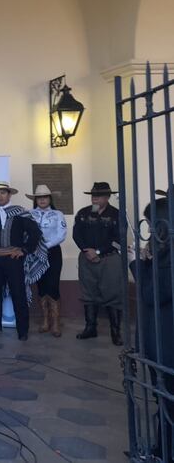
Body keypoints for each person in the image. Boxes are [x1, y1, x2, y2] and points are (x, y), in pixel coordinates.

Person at [132, 193, 173, 460]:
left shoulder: (167, 258)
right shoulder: (163, 253)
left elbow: (151, 295)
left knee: (167, 402)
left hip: (166, 344)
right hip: (159, 341)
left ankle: (163, 452)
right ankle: (161, 449)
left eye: (150, 226)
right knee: (164, 401)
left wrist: (139, 263)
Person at [0, 181, 47, 341]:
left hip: (12, 259)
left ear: (9, 195)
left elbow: (35, 234)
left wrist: (23, 250)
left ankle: (22, 330)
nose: (0, 195)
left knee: (18, 293)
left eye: (3, 192)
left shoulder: (20, 213)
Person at [73, 181, 124, 345]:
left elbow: (119, 240)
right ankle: (90, 328)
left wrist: (99, 251)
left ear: (107, 197)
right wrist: (86, 250)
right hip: (86, 258)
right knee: (88, 293)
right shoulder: (83, 213)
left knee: (113, 294)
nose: (94, 199)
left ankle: (115, 332)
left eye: (98, 196)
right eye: (93, 196)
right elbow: (76, 234)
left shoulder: (117, 214)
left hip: (109, 259)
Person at [27, 184, 67, 337]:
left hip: (53, 253)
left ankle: (56, 322)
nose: (42, 200)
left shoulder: (58, 214)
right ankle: (45, 320)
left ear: (50, 199)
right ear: (35, 199)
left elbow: (61, 234)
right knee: (41, 285)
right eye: (39, 197)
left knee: (53, 285)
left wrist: (44, 246)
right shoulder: (30, 214)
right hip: (35, 254)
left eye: (45, 197)